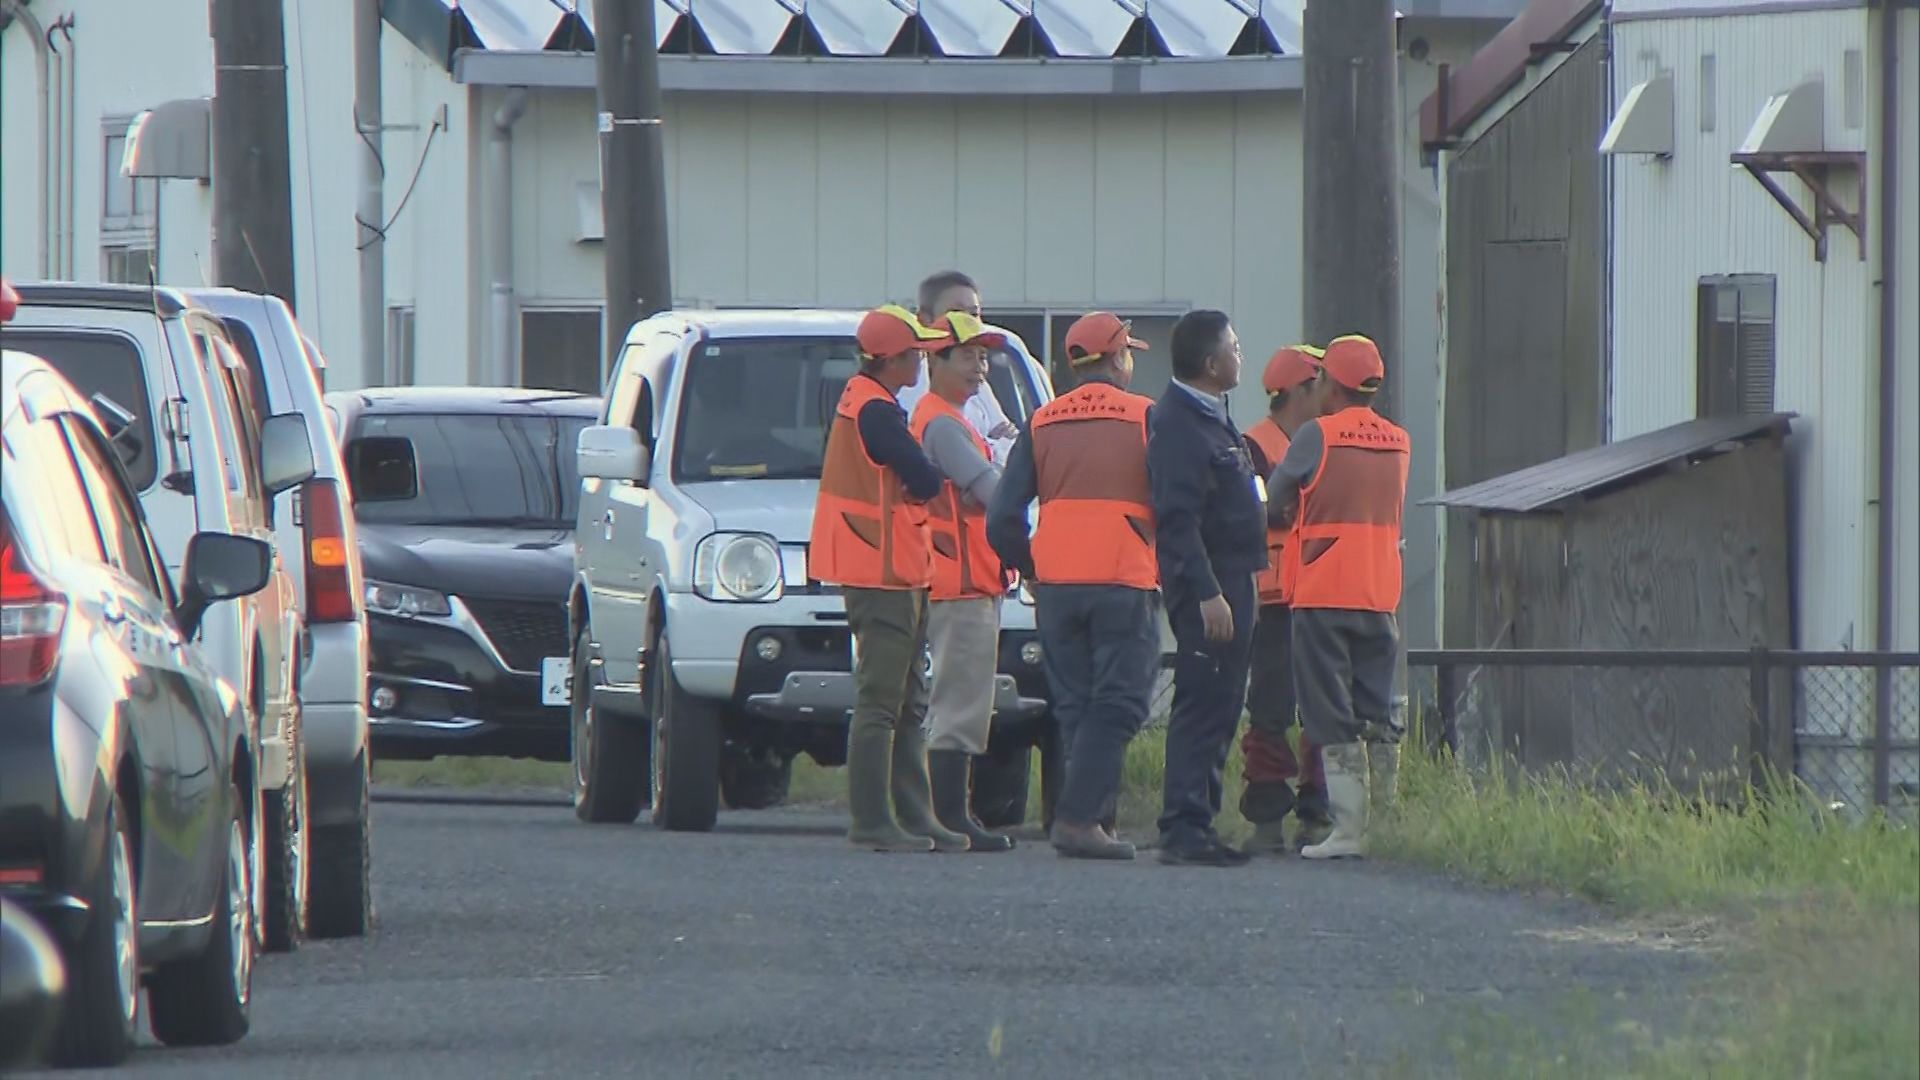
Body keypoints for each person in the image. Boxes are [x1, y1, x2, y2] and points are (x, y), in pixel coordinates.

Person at [987, 312, 1159, 861]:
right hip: (1123, 577)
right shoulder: (1146, 417)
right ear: (1115, 359)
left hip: (1057, 585)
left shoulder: (1041, 422)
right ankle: (1081, 821)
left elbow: (1001, 518)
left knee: (1076, 706)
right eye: (1127, 352)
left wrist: (1031, 566)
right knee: (1123, 701)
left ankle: (1089, 818)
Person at [809, 304, 970, 854]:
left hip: (892, 568)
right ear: (895, 359)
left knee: (907, 699)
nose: (924, 361)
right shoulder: (877, 411)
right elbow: (923, 476)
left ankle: (914, 815)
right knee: (883, 700)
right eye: (917, 353)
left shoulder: (866, 401)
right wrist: (930, 477)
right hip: (882, 571)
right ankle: (875, 819)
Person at [1267, 334, 1410, 860]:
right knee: (1378, 707)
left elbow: (1278, 497)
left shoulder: (1315, 437)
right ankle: (1387, 824)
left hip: (1324, 590)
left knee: (1329, 710)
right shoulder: (1399, 440)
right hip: (1379, 592)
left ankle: (1348, 829)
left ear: (1333, 383)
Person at [1148, 310, 1268, 868]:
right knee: (1203, 700)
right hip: (1209, 585)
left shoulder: (1211, 417)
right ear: (1210, 362)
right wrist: (1208, 592)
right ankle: (1183, 825)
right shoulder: (1178, 423)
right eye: (1234, 347)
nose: (1240, 355)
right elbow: (1177, 519)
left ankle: (1201, 819)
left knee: (1224, 702)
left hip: (1234, 577)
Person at [909, 311, 1017, 853]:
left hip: (969, 576)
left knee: (963, 699)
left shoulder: (950, 417)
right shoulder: (944, 423)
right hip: (960, 578)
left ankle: (952, 813)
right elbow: (990, 491)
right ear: (936, 359)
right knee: (958, 703)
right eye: (970, 355)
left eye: (984, 355)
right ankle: (951, 817)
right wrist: (1008, 459)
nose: (982, 367)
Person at [1239, 345, 1334, 855]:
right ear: (1299, 391)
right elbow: (1254, 512)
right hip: (1274, 599)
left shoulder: (1327, 441)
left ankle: (1317, 811)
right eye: (1320, 384)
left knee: (1322, 708)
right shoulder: (1252, 446)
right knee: (1271, 709)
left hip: (1319, 590)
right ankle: (1268, 819)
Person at [899, 270, 1020, 464]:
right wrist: (989, 445)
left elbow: (1014, 444)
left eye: (974, 314)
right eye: (956, 313)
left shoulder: (977, 380)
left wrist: (984, 447)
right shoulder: (908, 386)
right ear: (924, 320)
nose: (968, 322)